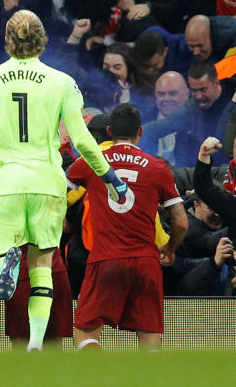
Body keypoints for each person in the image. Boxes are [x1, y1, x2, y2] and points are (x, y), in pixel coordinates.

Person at [0, 10, 126, 351]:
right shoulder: (62, 82)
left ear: (8, 41)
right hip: (46, 182)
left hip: (5, 182)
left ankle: (3, 264)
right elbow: (82, 140)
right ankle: (36, 342)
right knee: (41, 267)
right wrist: (109, 176)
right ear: (43, 42)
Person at [67, 103, 187, 350]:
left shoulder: (91, 162)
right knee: (150, 339)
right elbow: (182, 222)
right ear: (140, 132)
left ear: (109, 131)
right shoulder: (157, 168)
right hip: (146, 262)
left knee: (86, 332)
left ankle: (95, 378)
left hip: (105, 260)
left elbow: (60, 190)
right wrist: (170, 248)